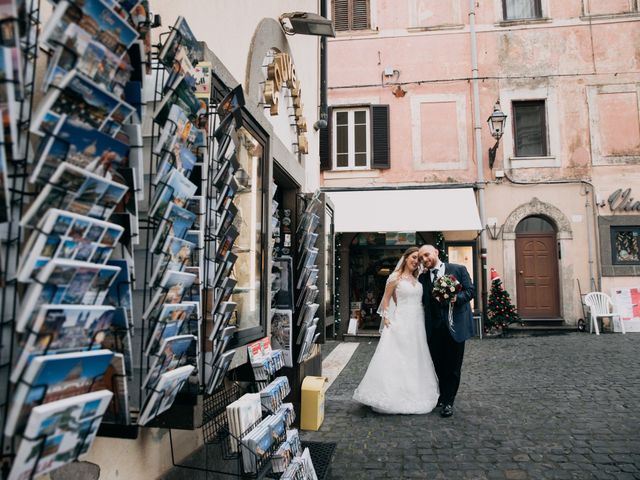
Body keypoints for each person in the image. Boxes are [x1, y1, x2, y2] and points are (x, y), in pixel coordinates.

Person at [352, 246, 439, 414]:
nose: (416, 261)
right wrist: (386, 317)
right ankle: (392, 393)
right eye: (414, 257)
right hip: (401, 320)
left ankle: (415, 392)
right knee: (398, 356)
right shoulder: (395, 277)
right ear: (406, 258)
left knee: (416, 357)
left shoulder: (419, 278)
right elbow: (385, 299)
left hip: (418, 322)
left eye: (418, 259)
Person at [418, 244, 475, 418]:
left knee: (453, 367)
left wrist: (456, 298)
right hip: (434, 329)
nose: (424, 260)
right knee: (438, 366)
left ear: (435, 252)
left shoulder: (458, 269)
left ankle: (448, 402)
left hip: (455, 326)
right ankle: (441, 397)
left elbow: (470, 291)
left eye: (426, 255)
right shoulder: (423, 278)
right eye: (421, 258)